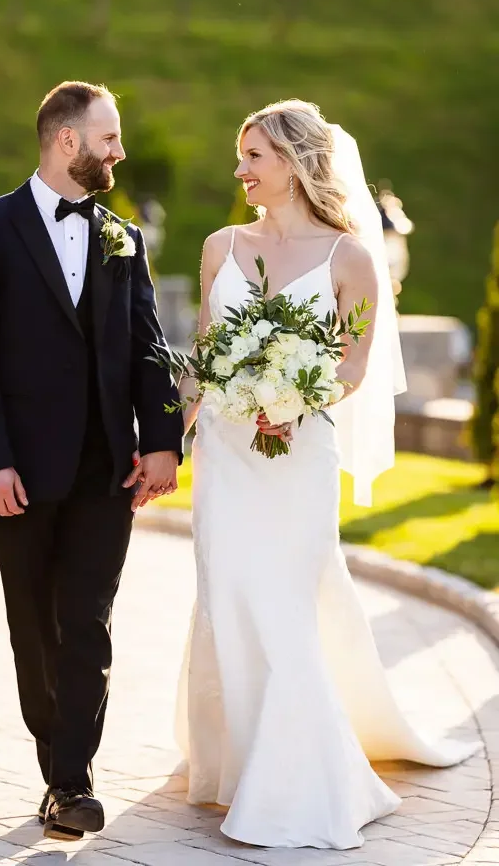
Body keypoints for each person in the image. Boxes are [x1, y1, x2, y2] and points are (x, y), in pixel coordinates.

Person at [175, 99, 479, 849]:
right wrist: (170, 439)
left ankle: (300, 784)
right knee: (230, 592)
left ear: (298, 162)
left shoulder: (351, 258)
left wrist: (288, 399)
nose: (240, 169)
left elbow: (352, 365)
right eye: (240, 155)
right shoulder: (220, 246)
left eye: (254, 156)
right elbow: (206, 359)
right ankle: (240, 760)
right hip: (228, 453)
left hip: (299, 456)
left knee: (282, 600)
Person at [0, 81, 183, 841]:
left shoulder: (124, 237)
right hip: (19, 470)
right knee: (33, 627)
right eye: (109, 138)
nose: (120, 152)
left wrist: (164, 441)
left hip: (106, 469)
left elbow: (150, 347)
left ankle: (72, 783)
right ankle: (57, 759)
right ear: (67, 141)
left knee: (88, 621)